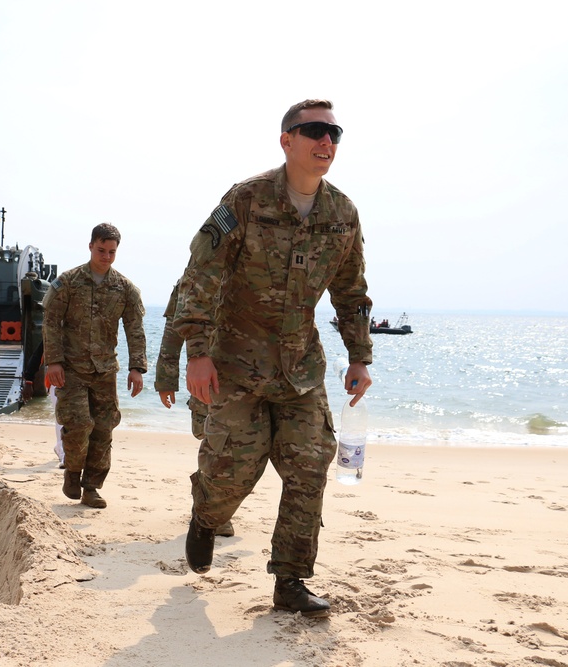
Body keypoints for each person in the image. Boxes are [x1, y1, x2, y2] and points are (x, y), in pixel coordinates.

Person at [174, 99, 374, 617]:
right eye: (313, 131)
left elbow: (351, 292)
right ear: (287, 140)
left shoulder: (342, 213)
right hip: (237, 362)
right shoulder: (244, 200)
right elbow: (201, 272)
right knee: (233, 473)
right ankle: (205, 517)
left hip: (301, 369)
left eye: (334, 133)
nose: (326, 141)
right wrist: (197, 353)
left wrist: (360, 357)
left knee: (310, 466)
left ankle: (291, 580)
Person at [42, 223, 146, 509]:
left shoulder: (124, 288)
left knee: (103, 429)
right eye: (101, 250)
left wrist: (137, 367)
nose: (106, 256)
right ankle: (73, 472)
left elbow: (135, 328)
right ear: (90, 246)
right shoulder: (68, 282)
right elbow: (51, 322)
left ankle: (92, 487)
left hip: (104, 371)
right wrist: (53, 361)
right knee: (78, 424)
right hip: (71, 368)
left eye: (112, 252)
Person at [155, 279, 234, 537]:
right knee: (212, 440)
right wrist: (166, 381)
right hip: (205, 381)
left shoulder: (251, 269)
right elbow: (172, 332)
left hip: (243, 377)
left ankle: (217, 508)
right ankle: (209, 508)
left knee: (238, 446)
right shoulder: (191, 281)